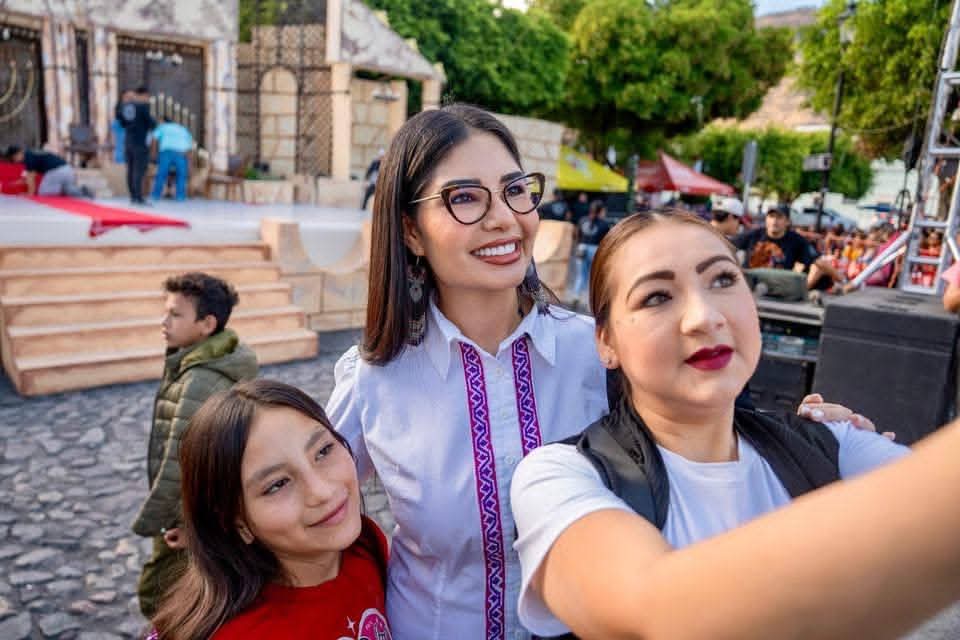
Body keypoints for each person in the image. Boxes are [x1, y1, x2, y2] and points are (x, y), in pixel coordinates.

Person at [326, 104, 872, 640]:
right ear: (411, 231)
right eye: (465, 197)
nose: (504, 217)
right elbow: (304, 505)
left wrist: (806, 438)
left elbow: (717, 436)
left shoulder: (604, 349)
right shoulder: (374, 379)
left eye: (515, 190)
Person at [507, 211, 960, 640]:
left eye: (723, 279)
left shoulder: (832, 445)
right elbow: (655, 614)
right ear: (606, 342)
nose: (705, 317)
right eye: (657, 297)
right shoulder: (559, 478)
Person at [150, 380, 390, 640]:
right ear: (236, 521)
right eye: (277, 484)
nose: (322, 491)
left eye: (323, 451)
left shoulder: (366, 544)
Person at [132, 272, 258, 619]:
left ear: (207, 324)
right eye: (165, 312)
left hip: (188, 514)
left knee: (158, 594)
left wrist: (169, 521)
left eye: (175, 314)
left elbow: (182, 462)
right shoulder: (191, 360)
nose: (164, 322)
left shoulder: (201, 379)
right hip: (190, 512)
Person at [732, 206, 841, 290]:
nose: (774, 221)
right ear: (766, 219)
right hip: (749, 285)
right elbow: (727, 246)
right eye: (771, 216)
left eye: (779, 217)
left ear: (787, 221)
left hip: (778, 289)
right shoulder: (754, 234)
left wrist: (843, 281)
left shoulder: (796, 240)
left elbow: (819, 262)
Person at [116, 85, 156, 204]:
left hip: (128, 142)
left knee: (131, 170)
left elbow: (122, 122)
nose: (148, 99)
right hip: (140, 142)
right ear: (143, 95)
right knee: (139, 170)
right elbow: (151, 124)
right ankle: (138, 197)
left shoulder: (125, 107)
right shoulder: (142, 107)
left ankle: (133, 196)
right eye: (147, 97)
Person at [2, 145, 92, 197]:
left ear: (18, 153)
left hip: (55, 171)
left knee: (44, 193)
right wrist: (11, 184)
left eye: (14, 158)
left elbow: (30, 179)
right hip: (67, 169)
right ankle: (83, 191)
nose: (15, 161)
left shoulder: (28, 157)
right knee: (69, 191)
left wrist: (29, 194)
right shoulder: (32, 154)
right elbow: (26, 179)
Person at [571, 200, 609, 307]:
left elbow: (576, 234)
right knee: (592, 277)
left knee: (580, 275)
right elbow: (606, 240)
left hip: (581, 248)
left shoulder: (582, 220)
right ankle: (590, 301)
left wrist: (579, 245)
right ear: (601, 211)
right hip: (595, 249)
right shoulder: (604, 224)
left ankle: (576, 296)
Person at [150, 117, 194, 201]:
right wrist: (189, 162)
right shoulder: (182, 128)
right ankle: (180, 196)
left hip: (167, 151)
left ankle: (155, 195)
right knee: (181, 175)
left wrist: (153, 154)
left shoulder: (162, 127)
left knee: (161, 174)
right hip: (181, 152)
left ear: (164, 122)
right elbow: (189, 145)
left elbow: (154, 139)